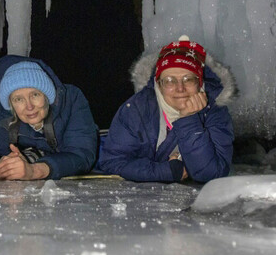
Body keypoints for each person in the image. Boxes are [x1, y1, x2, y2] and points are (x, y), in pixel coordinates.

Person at [97, 35, 234, 183]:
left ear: (199, 82)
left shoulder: (214, 111)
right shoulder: (137, 109)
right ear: (159, 84)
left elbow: (212, 173)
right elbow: (113, 162)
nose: (180, 88)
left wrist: (190, 120)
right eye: (169, 81)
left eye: (188, 79)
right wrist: (167, 171)